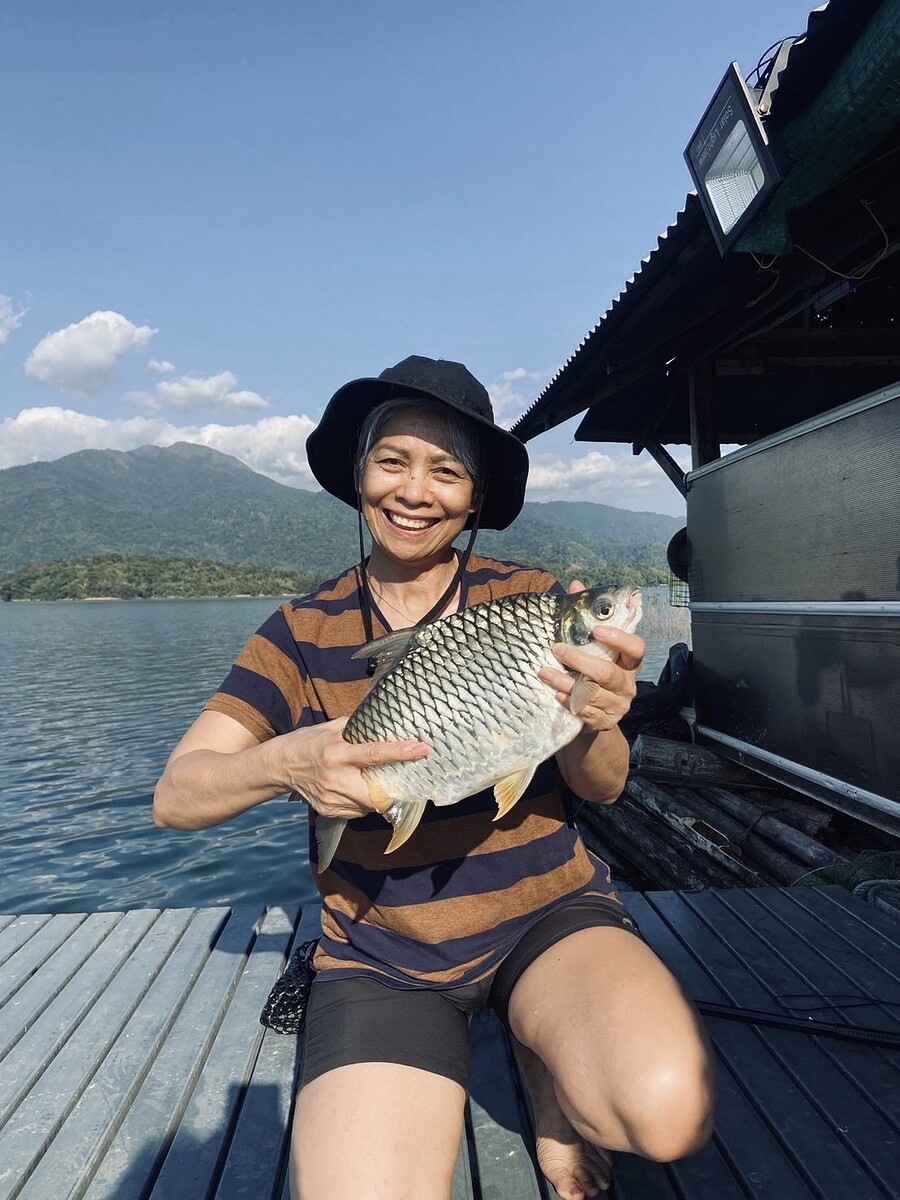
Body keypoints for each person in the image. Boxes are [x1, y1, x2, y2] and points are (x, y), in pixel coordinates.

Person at [153, 355, 714, 1200]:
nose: (416, 491)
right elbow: (176, 797)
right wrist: (285, 762)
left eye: (447, 471)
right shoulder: (299, 631)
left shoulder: (531, 603)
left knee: (666, 1114)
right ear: (358, 475)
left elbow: (601, 788)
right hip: (383, 951)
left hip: (548, 917)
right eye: (394, 462)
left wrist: (599, 719)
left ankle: (547, 1070)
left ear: (477, 497)